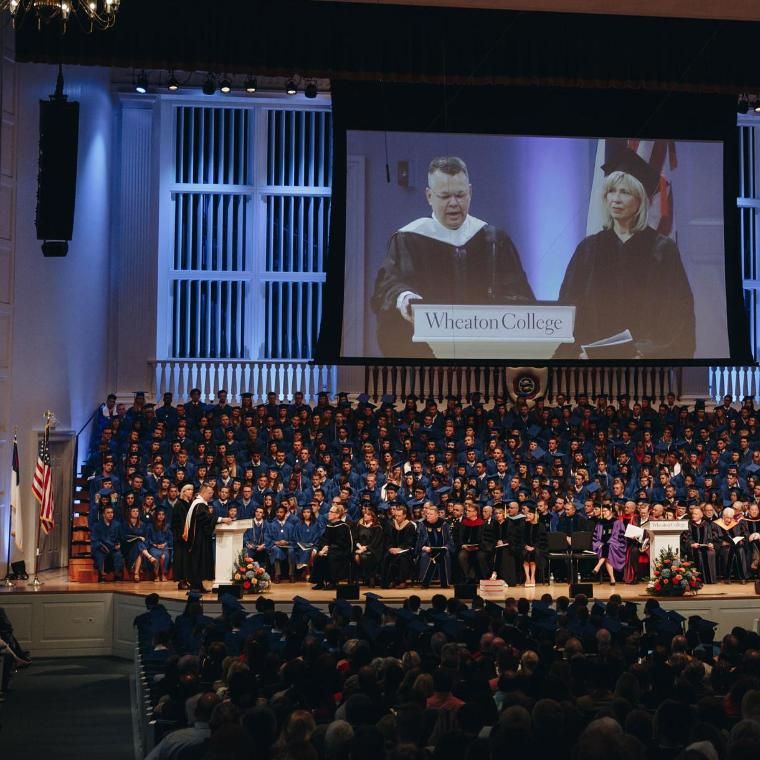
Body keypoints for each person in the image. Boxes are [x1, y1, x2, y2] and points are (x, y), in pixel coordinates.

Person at [371, 155, 535, 357]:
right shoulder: (408, 239)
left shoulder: (493, 239)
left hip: (485, 353)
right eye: (445, 196)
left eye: (460, 194)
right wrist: (405, 298)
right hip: (427, 357)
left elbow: (520, 293)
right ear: (429, 196)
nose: (454, 203)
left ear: (470, 192)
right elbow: (389, 284)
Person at [555, 148, 695, 359]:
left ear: (640, 200)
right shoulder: (589, 249)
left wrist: (648, 351)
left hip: (644, 363)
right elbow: (569, 306)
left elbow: (678, 312)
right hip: (591, 362)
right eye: (611, 191)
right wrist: (578, 351)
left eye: (625, 192)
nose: (616, 199)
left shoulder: (661, 250)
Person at [184, 482, 231, 593]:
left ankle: (198, 585)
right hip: (198, 539)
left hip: (199, 537)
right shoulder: (199, 504)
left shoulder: (198, 503)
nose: (211, 496)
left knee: (199, 561)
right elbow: (205, 518)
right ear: (204, 492)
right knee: (198, 561)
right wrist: (221, 519)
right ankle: (195, 586)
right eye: (210, 493)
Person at [313, 503, 353, 590]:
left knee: (331, 556)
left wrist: (328, 549)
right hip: (331, 549)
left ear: (337, 515)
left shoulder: (344, 526)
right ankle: (320, 582)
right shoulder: (329, 526)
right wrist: (323, 547)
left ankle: (333, 582)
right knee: (319, 556)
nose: (328, 513)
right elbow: (324, 539)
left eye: (331, 512)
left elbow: (342, 543)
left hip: (341, 551)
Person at [415, 503, 453, 588]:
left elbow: (450, 540)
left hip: (442, 549)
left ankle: (445, 583)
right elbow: (419, 540)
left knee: (445, 555)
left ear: (437, 515)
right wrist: (423, 547)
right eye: (427, 514)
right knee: (425, 556)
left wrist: (446, 547)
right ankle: (424, 582)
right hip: (428, 550)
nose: (428, 516)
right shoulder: (422, 524)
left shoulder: (444, 524)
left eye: (431, 514)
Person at [382, 503, 418, 589]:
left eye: (399, 516)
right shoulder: (390, 524)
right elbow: (387, 539)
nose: (397, 518)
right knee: (386, 556)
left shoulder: (410, 526)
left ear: (404, 515)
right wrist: (390, 548)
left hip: (406, 550)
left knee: (402, 557)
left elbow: (410, 542)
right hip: (393, 549)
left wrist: (400, 548)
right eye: (396, 516)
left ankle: (402, 581)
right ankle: (390, 580)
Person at [680, 505, 716, 584]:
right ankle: (695, 580)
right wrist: (692, 544)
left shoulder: (707, 524)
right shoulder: (688, 524)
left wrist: (710, 543)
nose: (693, 515)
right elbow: (686, 538)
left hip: (705, 547)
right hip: (693, 548)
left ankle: (709, 579)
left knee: (710, 553)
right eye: (693, 513)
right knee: (697, 553)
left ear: (701, 515)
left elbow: (710, 537)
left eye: (696, 514)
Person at [592, 504, 625, 584]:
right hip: (601, 544)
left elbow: (620, 537)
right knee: (606, 550)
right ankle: (612, 578)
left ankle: (597, 567)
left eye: (605, 511)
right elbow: (595, 537)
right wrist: (598, 543)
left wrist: (610, 542)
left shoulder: (617, 522)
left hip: (615, 544)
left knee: (607, 547)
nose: (603, 513)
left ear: (611, 511)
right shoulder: (600, 523)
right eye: (602, 511)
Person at [91, 504, 125, 582]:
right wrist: (101, 546)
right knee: (99, 554)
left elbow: (121, 538)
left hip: (113, 547)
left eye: (112, 512)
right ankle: (102, 575)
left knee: (118, 555)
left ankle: (117, 575)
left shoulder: (117, 525)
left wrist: (119, 544)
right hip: (101, 547)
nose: (110, 514)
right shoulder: (97, 526)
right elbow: (95, 540)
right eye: (108, 513)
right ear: (103, 514)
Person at [353, 506, 385, 586]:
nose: (365, 515)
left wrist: (364, 549)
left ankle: (370, 577)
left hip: (374, 550)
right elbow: (355, 538)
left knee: (364, 557)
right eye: (365, 514)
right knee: (356, 556)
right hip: (360, 548)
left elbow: (375, 542)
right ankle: (366, 577)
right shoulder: (360, 526)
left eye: (368, 514)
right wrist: (360, 547)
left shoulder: (377, 527)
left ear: (372, 517)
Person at [171, 483, 194, 591]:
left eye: (192, 489)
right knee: (181, 559)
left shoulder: (188, 504)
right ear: (183, 492)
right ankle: (181, 581)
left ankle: (185, 580)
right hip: (180, 537)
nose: (191, 491)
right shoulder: (179, 504)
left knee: (186, 560)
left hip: (187, 537)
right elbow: (179, 522)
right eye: (188, 489)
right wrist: (183, 534)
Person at [521, 504, 547, 587]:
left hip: (537, 547)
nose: (527, 515)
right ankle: (527, 578)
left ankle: (532, 577)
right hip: (525, 547)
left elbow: (542, 540)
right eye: (527, 514)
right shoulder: (524, 525)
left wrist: (534, 547)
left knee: (533, 554)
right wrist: (525, 546)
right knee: (525, 553)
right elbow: (521, 538)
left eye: (530, 514)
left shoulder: (540, 526)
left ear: (535, 515)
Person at [147, 505, 173, 582]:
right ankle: (156, 575)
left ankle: (163, 574)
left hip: (164, 547)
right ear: (156, 515)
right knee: (156, 555)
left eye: (163, 514)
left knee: (165, 556)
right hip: (154, 547)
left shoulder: (167, 526)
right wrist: (155, 545)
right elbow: (148, 538)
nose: (161, 516)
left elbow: (170, 539)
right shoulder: (150, 526)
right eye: (159, 514)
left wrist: (164, 544)